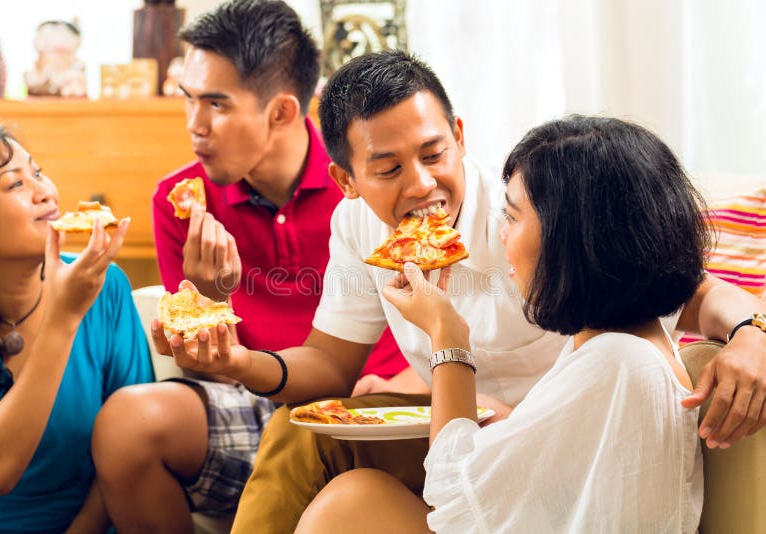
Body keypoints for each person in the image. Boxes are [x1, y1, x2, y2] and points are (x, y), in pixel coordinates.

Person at [153, 50, 766, 533]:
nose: (421, 186)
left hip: (551, 438)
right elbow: (328, 365)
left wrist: (754, 333)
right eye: (388, 169)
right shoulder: (361, 226)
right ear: (346, 179)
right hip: (471, 431)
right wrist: (237, 362)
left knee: (351, 505)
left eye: (433, 153)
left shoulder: (543, 208)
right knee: (296, 433)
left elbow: (684, 285)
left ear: (460, 136)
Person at [91, 2, 421, 532]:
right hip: (255, 400)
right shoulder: (181, 202)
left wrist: (414, 375)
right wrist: (205, 302)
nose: (194, 126)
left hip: (375, 402)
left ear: (283, 112)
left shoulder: (372, 186)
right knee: (127, 423)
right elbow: (204, 370)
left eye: (217, 105)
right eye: (189, 99)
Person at [295, 115, 709, 532]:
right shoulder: (611, 349)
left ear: (572, 240)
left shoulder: (619, 362)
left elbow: (453, 497)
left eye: (512, 218)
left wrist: (447, 336)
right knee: (357, 497)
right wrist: (508, 416)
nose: (502, 235)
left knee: (347, 504)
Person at [0, 123, 154, 533]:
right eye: (15, 184)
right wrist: (63, 320)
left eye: (37, 172)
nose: (46, 192)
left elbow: (135, 446)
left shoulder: (106, 286)